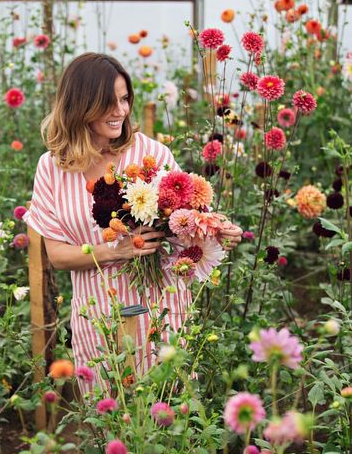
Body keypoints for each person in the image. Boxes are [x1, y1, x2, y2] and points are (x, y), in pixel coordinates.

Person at [25, 53, 242, 392]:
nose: (121, 111)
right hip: (99, 314)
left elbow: (182, 222)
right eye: (109, 102)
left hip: (161, 308)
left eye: (124, 99)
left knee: (167, 412)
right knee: (109, 415)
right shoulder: (53, 168)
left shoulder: (149, 155)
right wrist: (117, 250)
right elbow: (57, 256)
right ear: (81, 104)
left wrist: (216, 228)